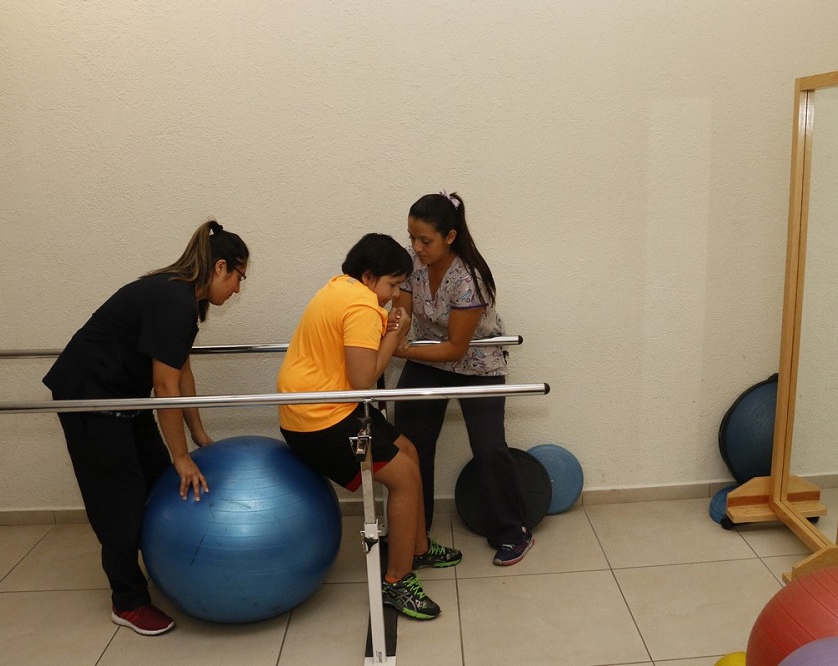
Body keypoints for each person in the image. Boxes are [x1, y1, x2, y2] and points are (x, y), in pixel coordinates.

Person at [43, 220, 249, 636]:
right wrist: (181, 455)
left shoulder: (184, 299)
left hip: (125, 399)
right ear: (220, 267)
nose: (238, 289)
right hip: (90, 399)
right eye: (238, 278)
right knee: (120, 505)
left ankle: (165, 568)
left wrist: (197, 434)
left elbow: (181, 369)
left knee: (160, 480)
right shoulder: (173, 299)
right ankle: (128, 602)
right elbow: (165, 386)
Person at [277, 233, 461, 621]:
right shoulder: (361, 303)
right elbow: (363, 381)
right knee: (404, 477)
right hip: (320, 420)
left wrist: (387, 327)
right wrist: (395, 333)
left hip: (327, 406)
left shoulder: (338, 288)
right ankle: (397, 581)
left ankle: (418, 549)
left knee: (408, 450)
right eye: (392, 285)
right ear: (368, 276)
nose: (394, 296)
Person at [393, 191, 533, 566]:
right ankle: (415, 536)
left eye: (426, 240)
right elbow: (401, 313)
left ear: (450, 236)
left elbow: (456, 348)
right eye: (412, 238)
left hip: (476, 363)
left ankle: (512, 531)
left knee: (489, 448)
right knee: (409, 447)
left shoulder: (469, 279)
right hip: (425, 356)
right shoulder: (412, 263)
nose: (417, 247)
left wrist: (400, 350)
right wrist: (394, 333)